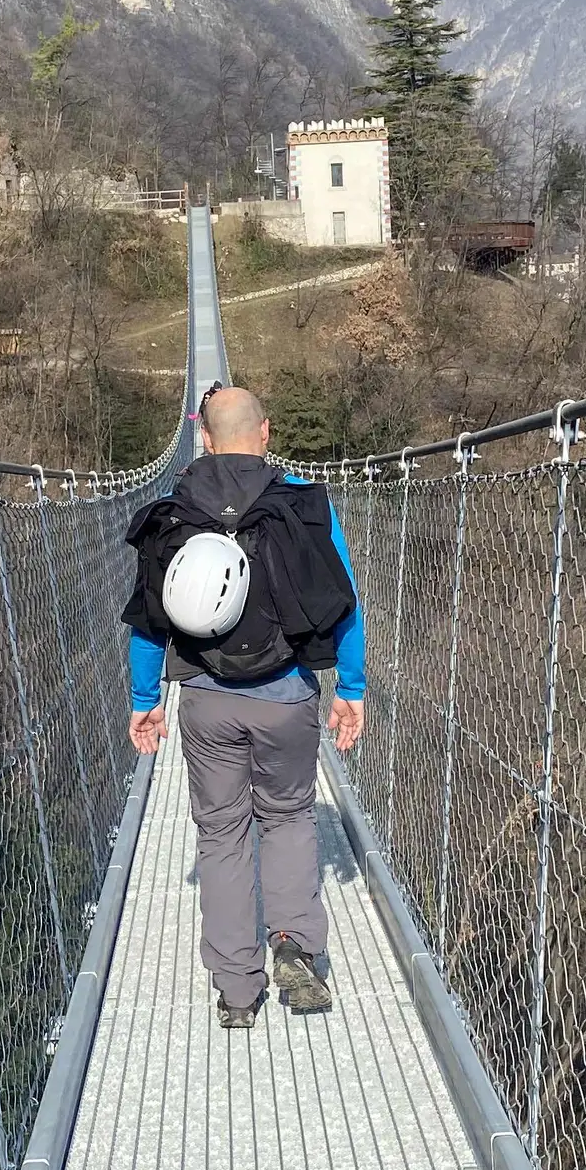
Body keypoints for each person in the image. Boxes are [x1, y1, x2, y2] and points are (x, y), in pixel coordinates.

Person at [124, 383, 365, 1028]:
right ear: (265, 432)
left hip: (205, 701)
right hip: (287, 697)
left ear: (203, 439)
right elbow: (344, 602)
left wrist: (146, 700)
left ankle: (236, 990)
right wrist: (351, 688)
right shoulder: (305, 505)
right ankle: (295, 946)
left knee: (222, 833)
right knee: (287, 817)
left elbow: (148, 622)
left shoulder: (171, 512)